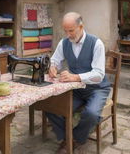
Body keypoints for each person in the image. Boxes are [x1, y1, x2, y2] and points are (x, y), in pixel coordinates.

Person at [48, 12, 110, 154]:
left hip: (97, 89)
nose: (68, 34)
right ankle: (68, 138)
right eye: (65, 31)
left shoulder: (96, 43)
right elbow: (55, 60)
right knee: (52, 107)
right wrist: (53, 67)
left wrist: (75, 77)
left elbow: (99, 75)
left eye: (71, 30)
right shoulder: (64, 43)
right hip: (76, 90)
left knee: (92, 114)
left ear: (81, 27)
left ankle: (74, 139)